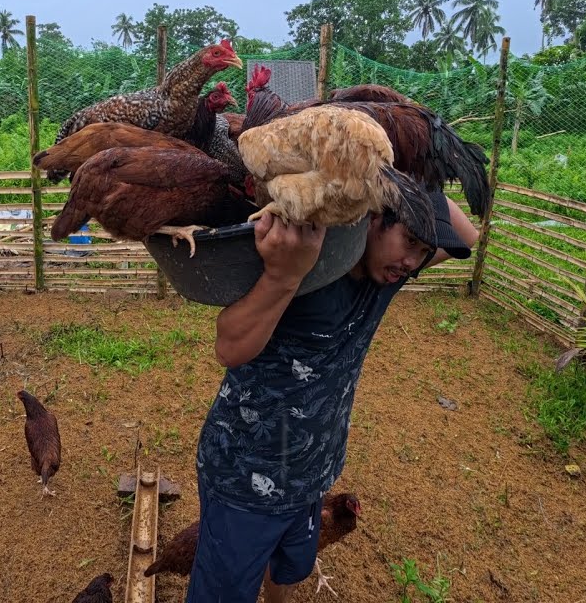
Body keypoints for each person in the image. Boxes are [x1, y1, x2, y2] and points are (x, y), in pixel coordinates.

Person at [187, 182, 480, 603]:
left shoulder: (387, 276)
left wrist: (406, 177)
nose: (412, 262)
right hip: (245, 475)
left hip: (312, 471)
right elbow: (228, 348)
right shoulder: (304, 269)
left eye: (423, 251)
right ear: (373, 218)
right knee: (223, 592)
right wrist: (283, 276)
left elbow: (467, 235)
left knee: (288, 566)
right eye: (409, 242)